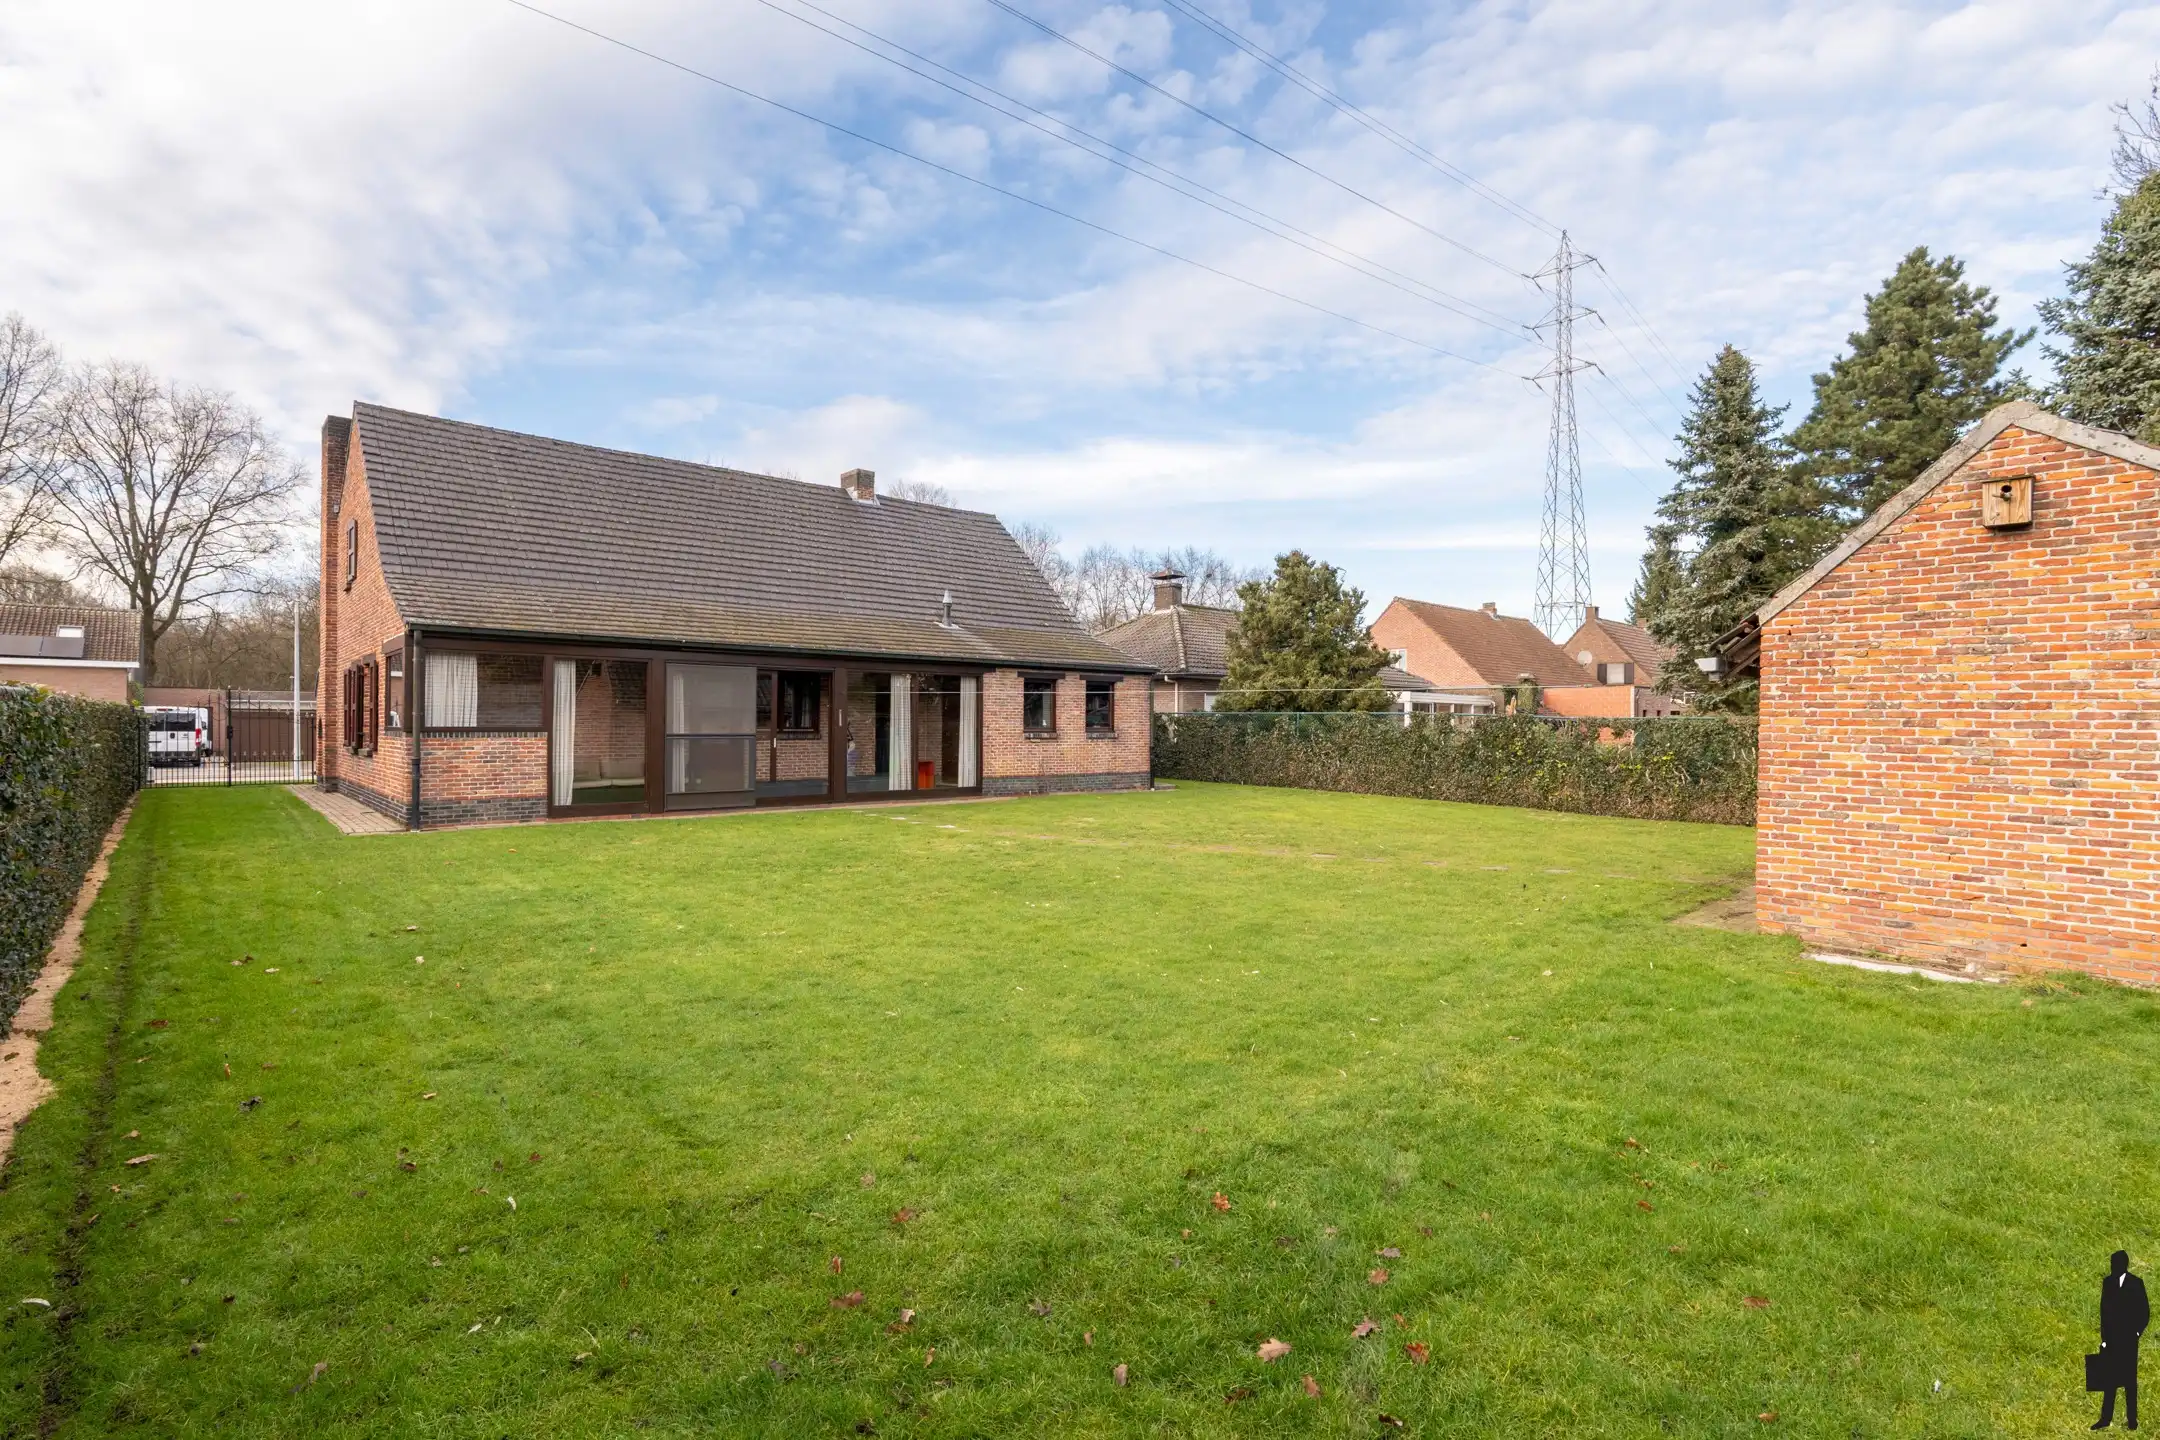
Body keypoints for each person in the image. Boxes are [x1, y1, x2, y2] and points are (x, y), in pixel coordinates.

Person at [2098, 1250, 2149, 1430]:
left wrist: (2136, 1333)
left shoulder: (2136, 1283)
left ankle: (2132, 1420)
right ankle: (2105, 1419)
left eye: (2116, 1263)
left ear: (2124, 1265)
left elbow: (2144, 1312)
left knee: (2129, 1381)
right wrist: (2104, 1339)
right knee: (2109, 1380)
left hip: (2128, 1340)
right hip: (2111, 1340)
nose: (2114, 1267)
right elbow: (2104, 1312)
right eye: (2112, 1263)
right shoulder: (2108, 1283)